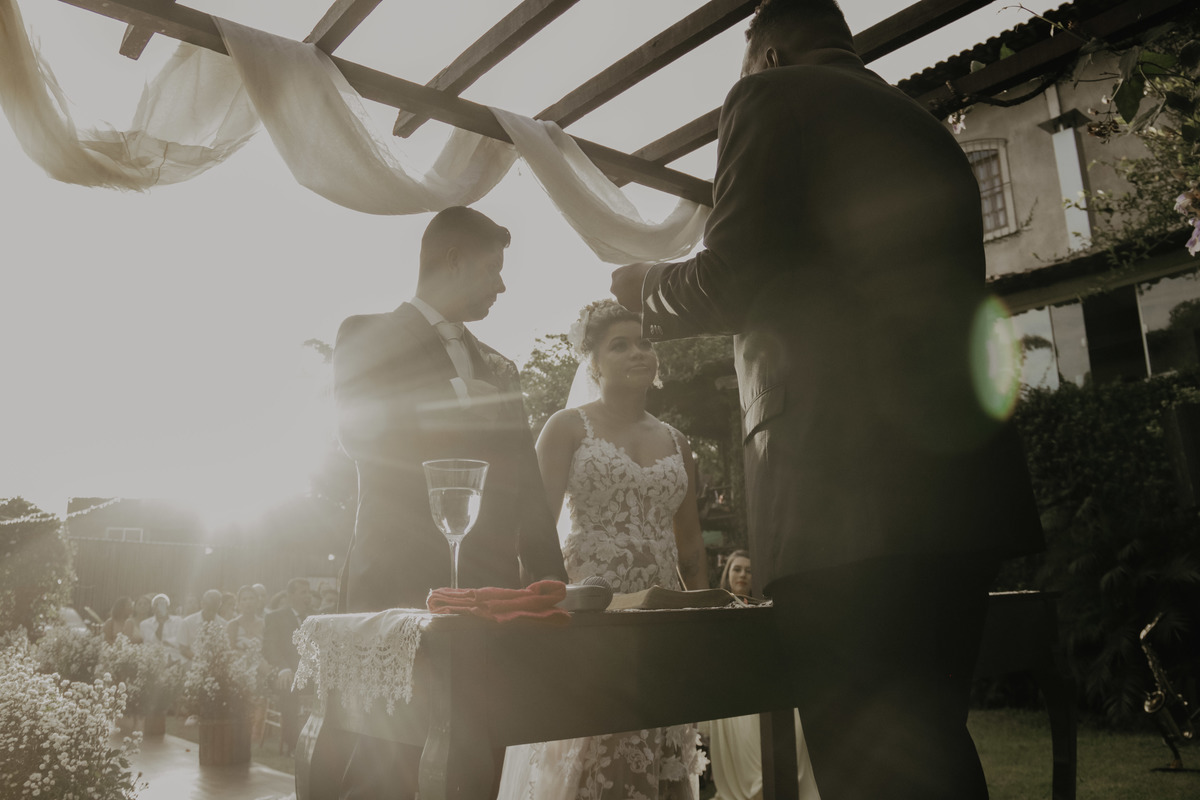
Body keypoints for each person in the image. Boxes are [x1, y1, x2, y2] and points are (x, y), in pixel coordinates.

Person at [609, 2, 1044, 798]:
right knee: (930, 740)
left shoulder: (767, 96)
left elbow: (731, 277)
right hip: (960, 484)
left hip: (840, 488)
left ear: (768, 55)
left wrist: (645, 288)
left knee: (868, 758)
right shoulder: (926, 131)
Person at [332, 205, 568, 798]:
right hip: (396, 581)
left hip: (489, 596)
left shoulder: (503, 367)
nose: (502, 285)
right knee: (386, 762)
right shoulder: (365, 334)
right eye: (493, 268)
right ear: (454, 260)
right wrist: (459, 398)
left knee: (479, 757)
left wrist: (553, 583)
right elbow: (361, 435)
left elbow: (526, 486)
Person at [497, 299, 708, 800]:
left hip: (659, 621)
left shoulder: (678, 441)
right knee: (589, 750)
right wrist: (540, 618)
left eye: (645, 342)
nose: (638, 352)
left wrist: (704, 622)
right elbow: (534, 532)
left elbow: (691, 547)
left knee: (657, 745)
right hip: (590, 614)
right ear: (592, 362)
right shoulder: (567, 427)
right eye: (620, 345)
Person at [703, 553, 819, 800]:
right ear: (727, 574)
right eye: (737, 569)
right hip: (731, 688)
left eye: (748, 570)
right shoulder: (713, 608)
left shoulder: (767, 607)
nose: (743, 574)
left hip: (761, 684)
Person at [263, 577, 311, 755]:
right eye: (303, 592)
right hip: (283, 672)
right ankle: (293, 745)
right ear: (291, 595)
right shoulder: (275, 617)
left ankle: (321, 743)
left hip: (310, 673)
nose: (308, 596)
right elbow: (270, 647)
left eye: (309, 593)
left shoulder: (314, 618)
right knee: (289, 687)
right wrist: (283, 668)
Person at [179, 588, 226, 661]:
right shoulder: (187, 622)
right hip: (191, 661)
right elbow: (183, 649)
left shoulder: (224, 624)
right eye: (209, 609)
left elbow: (224, 650)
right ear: (202, 604)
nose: (211, 613)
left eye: (214, 609)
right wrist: (201, 660)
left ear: (219, 606)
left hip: (216, 663)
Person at [226, 584, 265, 649]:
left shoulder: (264, 624)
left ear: (257, 602)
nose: (248, 602)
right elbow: (229, 650)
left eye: (251, 598)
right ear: (238, 604)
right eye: (244, 599)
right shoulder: (232, 625)